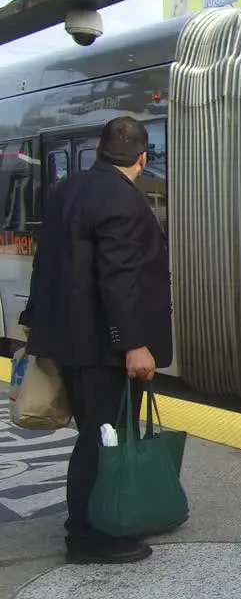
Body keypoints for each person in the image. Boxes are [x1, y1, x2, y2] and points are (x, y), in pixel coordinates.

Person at [21, 116, 174, 565]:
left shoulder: (67, 190)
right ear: (142, 158)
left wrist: (33, 319)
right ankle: (89, 535)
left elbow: (44, 260)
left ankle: (101, 519)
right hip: (101, 347)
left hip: (70, 339)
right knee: (102, 436)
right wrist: (133, 344)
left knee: (96, 433)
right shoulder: (123, 201)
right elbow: (118, 277)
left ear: (100, 150)